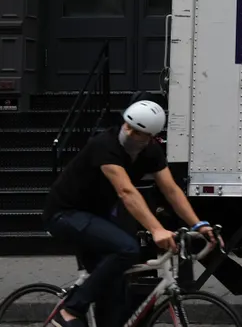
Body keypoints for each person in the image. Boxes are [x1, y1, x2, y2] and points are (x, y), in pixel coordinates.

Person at [42, 99, 220, 327]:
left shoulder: (151, 152)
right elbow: (126, 192)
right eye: (127, 125)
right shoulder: (104, 145)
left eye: (136, 131)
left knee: (116, 289)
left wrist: (198, 225)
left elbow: (171, 190)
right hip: (65, 214)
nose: (128, 131)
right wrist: (156, 229)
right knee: (127, 248)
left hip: (97, 216)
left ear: (150, 137)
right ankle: (71, 310)